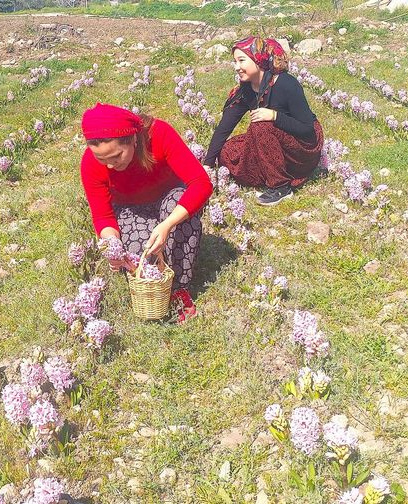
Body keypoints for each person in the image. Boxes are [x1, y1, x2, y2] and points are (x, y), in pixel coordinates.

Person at [80, 103, 214, 322]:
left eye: (116, 156)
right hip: (130, 210)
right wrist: (112, 245)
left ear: (133, 139)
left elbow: (201, 183)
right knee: (139, 255)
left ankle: (179, 287)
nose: (111, 166)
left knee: (179, 221)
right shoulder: (90, 165)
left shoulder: (159, 134)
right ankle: (155, 287)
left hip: (169, 199)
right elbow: (103, 217)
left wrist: (167, 225)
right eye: (102, 159)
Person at [204, 37, 324, 206]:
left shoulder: (286, 83)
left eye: (241, 60)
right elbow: (224, 128)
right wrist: (207, 164)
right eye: (235, 62)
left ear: (258, 59)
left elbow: (307, 129)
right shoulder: (246, 89)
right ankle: (270, 171)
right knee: (227, 152)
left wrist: (275, 116)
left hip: (303, 148)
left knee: (260, 125)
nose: (237, 67)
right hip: (276, 142)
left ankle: (280, 186)